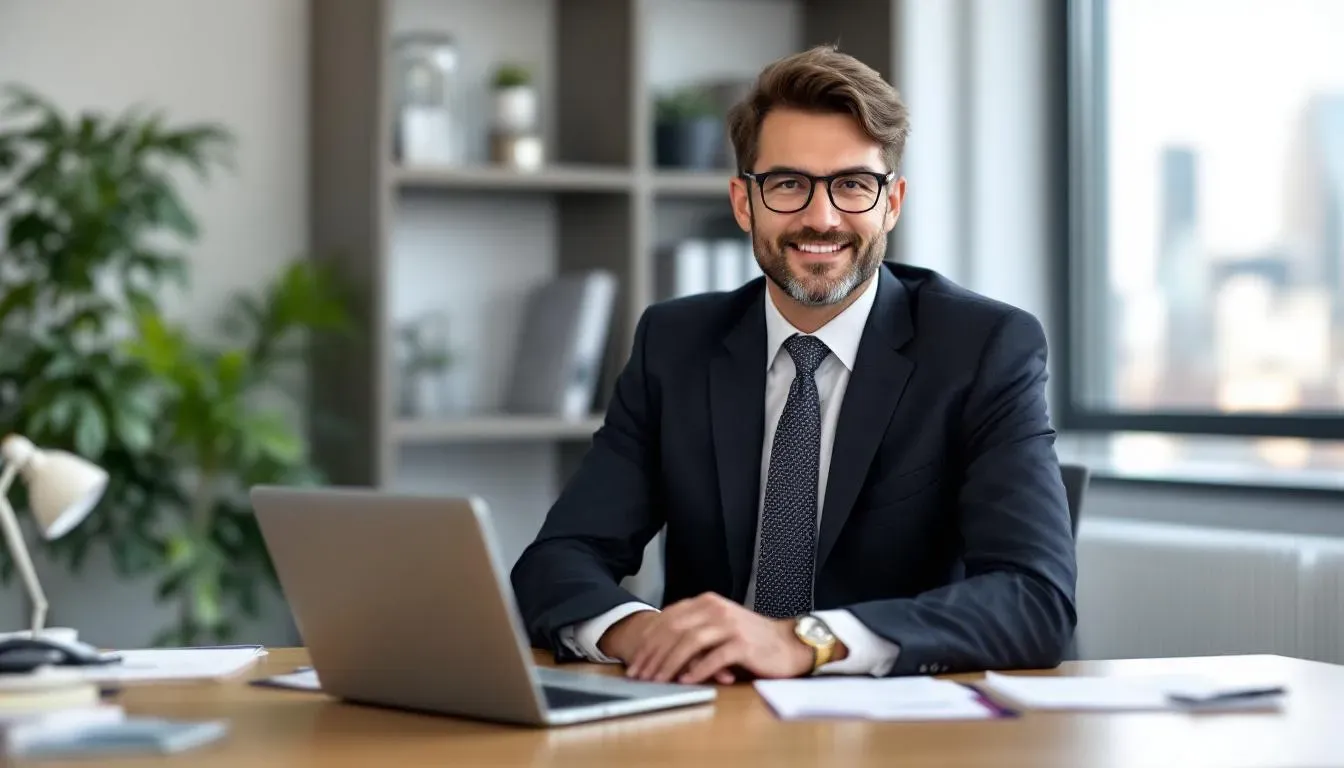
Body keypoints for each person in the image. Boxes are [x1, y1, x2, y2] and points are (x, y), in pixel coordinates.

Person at [510, 45, 1076, 685]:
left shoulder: (982, 347)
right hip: (705, 717)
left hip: (891, 728)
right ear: (743, 202)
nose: (822, 217)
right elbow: (558, 560)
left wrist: (808, 641)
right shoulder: (675, 342)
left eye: (854, 185)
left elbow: (1036, 600)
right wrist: (646, 632)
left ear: (891, 203)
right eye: (787, 185)